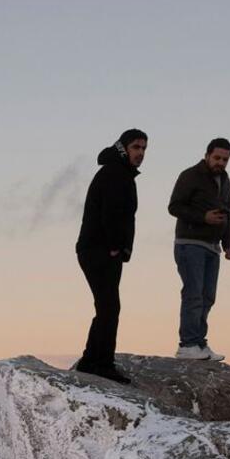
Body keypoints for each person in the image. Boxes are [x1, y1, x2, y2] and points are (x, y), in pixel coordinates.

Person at [73, 129, 147, 384]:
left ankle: (91, 360)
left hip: (99, 249)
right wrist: (116, 246)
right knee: (109, 307)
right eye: (136, 147)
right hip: (99, 250)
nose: (140, 153)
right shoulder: (116, 173)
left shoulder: (119, 173)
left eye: (144, 149)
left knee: (106, 306)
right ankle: (101, 363)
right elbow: (112, 213)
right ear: (124, 148)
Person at [167, 137, 230, 361]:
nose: (221, 163)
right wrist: (203, 217)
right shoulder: (190, 175)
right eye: (217, 158)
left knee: (208, 297)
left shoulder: (224, 180)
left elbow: (229, 212)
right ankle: (187, 345)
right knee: (194, 294)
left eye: (225, 159)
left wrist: (228, 244)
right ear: (207, 155)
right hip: (190, 244)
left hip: (212, 247)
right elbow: (174, 206)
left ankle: (199, 342)